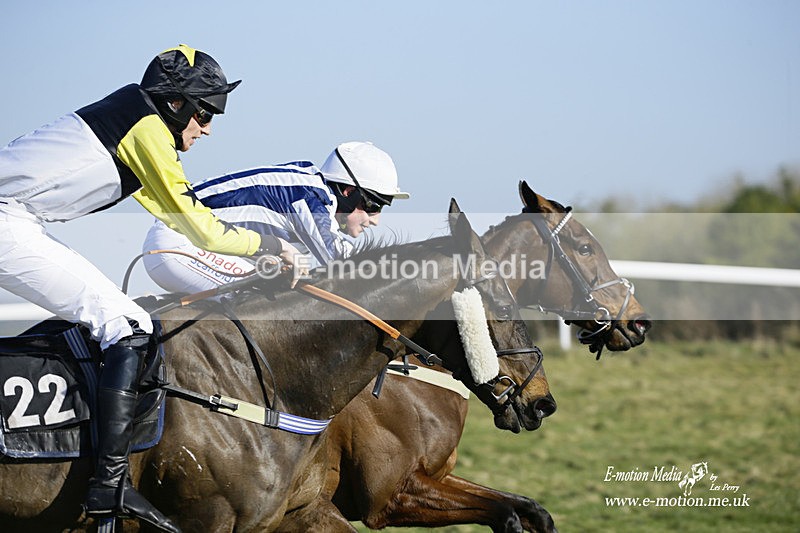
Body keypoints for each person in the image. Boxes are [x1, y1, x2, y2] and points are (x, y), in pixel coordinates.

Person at [0, 45, 290, 532]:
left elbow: (173, 213)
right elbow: (198, 226)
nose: (208, 127)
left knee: (123, 317)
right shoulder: (147, 128)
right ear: (175, 103)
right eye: (204, 113)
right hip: (9, 221)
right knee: (128, 323)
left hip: (19, 220)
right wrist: (266, 245)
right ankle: (109, 485)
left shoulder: (137, 122)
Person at [142, 141, 409, 293]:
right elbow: (343, 263)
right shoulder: (312, 196)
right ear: (350, 191)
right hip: (178, 244)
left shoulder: (311, 187)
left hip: (192, 244)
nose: (375, 220)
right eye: (374, 206)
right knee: (265, 303)